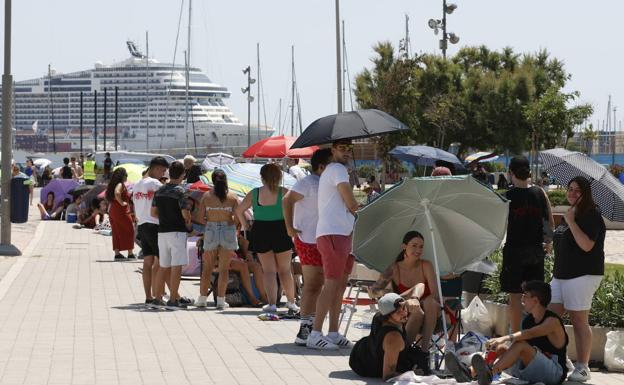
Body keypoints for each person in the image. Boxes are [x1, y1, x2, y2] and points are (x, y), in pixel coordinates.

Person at [445, 281, 568, 385]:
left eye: (525, 296)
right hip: (532, 368)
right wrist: (498, 346)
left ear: (535, 300)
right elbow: (522, 346)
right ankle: (469, 372)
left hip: (554, 373)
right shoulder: (529, 320)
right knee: (500, 347)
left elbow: (530, 333)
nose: (522, 299)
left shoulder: (552, 321)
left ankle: (490, 373)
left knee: (519, 345)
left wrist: (504, 337)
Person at [549, 176, 605, 382]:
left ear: (586, 193)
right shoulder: (571, 213)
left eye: (577, 190)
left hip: (582, 275)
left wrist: (571, 222)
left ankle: (583, 366)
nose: (571, 193)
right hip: (561, 275)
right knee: (549, 318)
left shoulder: (591, 215)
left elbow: (587, 245)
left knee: (579, 320)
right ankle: (562, 359)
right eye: (569, 188)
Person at [306, 139, 359, 350]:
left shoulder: (334, 170)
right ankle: (315, 333)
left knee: (338, 285)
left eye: (349, 149)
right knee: (331, 284)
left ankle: (334, 332)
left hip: (341, 232)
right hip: (334, 233)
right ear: (334, 150)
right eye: (342, 148)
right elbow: (352, 203)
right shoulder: (337, 168)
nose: (346, 152)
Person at [282, 148, 333, 345]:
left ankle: (313, 326)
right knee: (312, 284)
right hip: (308, 238)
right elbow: (287, 200)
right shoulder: (308, 183)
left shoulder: (329, 184)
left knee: (321, 284)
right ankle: (305, 329)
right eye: (331, 164)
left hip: (324, 238)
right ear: (321, 166)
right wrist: (289, 227)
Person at [235, 163, 299, 314]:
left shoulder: (254, 193)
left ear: (262, 177)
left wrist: (245, 225)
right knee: (285, 270)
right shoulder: (284, 192)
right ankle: (291, 302)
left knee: (268, 271)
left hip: (261, 231)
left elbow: (239, 210)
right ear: (279, 177)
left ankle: (271, 304)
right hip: (281, 230)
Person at [501, 156, 554, 333]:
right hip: (535, 253)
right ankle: (536, 335)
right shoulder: (540, 193)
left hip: (514, 253)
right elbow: (549, 221)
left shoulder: (507, 197)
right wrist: (548, 241)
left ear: (510, 173)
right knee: (536, 298)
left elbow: (500, 227)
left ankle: (515, 337)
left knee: (515, 299)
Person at [370, 231, 441, 351]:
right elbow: (373, 292)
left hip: (431, 310)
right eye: (414, 245)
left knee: (430, 302)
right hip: (407, 311)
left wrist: (418, 302)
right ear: (404, 247)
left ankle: (424, 351)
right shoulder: (394, 268)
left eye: (421, 246)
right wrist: (386, 293)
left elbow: (435, 295)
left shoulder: (426, 265)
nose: (418, 250)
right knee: (417, 313)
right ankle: (403, 352)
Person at [349, 293, 429, 380]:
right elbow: (388, 376)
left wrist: (414, 298)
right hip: (365, 366)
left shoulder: (379, 317)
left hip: (364, 354)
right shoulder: (393, 337)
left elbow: (420, 285)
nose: (404, 313)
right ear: (388, 317)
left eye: (404, 308)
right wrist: (413, 374)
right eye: (398, 312)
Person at [196, 169, 240, 310]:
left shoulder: (206, 196)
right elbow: (238, 218)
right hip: (227, 230)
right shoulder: (233, 196)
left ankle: (202, 299)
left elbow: (199, 217)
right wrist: (231, 222)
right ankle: (221, 301)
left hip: (211, 230)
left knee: (207, 267)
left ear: (213, 181)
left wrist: (210, 221)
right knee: (224, 269)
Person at [151, 161, 192, 309]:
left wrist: (165, 217)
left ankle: (157, 298)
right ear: (183, 174)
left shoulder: (159, 191)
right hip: (177, 232)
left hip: (162, 232)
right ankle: (173, 299)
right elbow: (185, 214)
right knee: (176, 267)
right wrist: (189, 223)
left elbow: (153, 213)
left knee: (163, 266)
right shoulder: (181, 191)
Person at [132, 157, 169, 305]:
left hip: (142, 224)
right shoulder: (156, 184)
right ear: (154, 168)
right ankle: (158, 294)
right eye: (162, 170)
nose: (163, 173)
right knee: (160, 262)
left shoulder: (137, 184)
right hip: (154, 224)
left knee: (147, 262)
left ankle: (149, 296)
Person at [106, 167, 136, 260]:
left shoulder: (113, 185)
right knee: (130, 230)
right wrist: (122, 203)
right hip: (121, 211)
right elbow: (117, 193)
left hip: (113, 211)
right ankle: (130, 253)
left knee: (116, 231)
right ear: (122, 176)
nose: (127, 176)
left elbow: (113, 196)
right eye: (126, 175)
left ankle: (117, 253)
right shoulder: (120, 184)